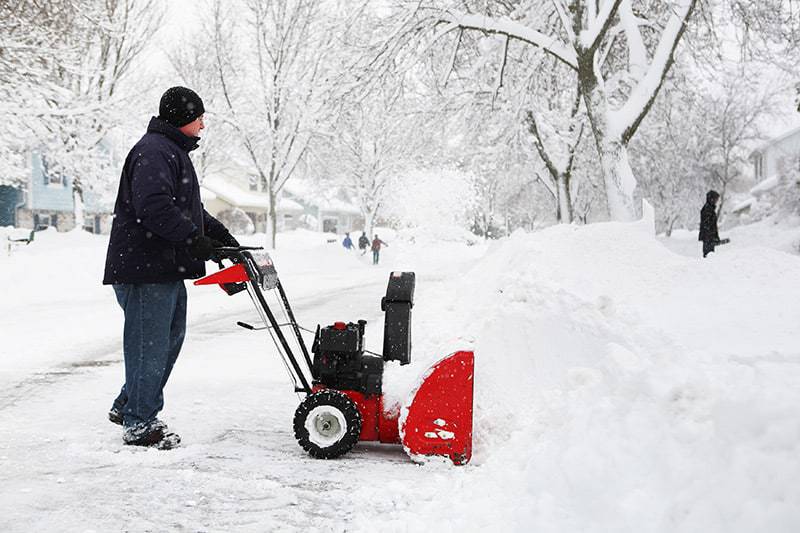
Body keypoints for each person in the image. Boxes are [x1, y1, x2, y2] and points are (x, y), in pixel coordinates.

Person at [103, 86, 239, 449]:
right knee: (151, 345)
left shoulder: (170, 151)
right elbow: (155, 208)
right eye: (199, 117)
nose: (203, 124)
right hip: (146, 269)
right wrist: (194, 240)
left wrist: (221, 237)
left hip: (161, 268)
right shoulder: (154, 152)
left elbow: (186, 209)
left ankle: (130, 404)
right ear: (182, 118)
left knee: (166, 341)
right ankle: (140, 422)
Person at [699, 190, 723, 257]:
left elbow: (713, 225)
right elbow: (707, 225)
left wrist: (715, 237)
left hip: (710, 238)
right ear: (711, 199)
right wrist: (712, 237)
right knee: (708, 256)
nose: (716, 201)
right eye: (716, 199)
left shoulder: (710, 209)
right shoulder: (707, 209)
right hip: (708, 238)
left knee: (710, 256)